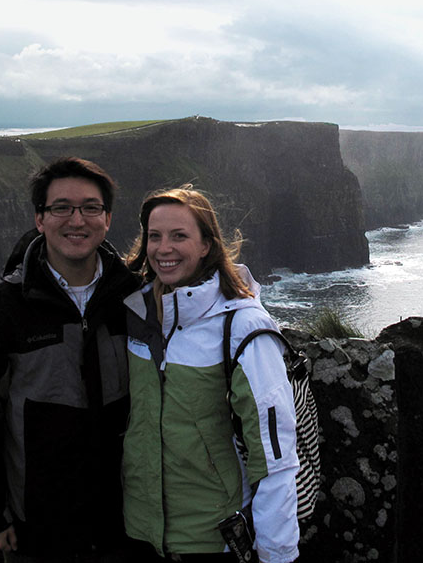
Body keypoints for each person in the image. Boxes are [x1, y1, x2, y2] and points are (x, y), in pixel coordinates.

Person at [0, 157, 140, 562]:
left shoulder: (135, 299)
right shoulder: (3, 305)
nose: (77, 220)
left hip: (125, 522)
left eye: (91, 208)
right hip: (37, 527)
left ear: (107, 219)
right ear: (40, 219)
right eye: (62, 208)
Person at [122, 186, 299, 563]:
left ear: (207, 245)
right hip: (139, 532)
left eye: (179, 236)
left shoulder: (242, 327)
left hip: (211, 539)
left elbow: (274, 457)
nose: (163, 248)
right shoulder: (137, 314)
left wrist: (276, 555)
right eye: (154, 236)